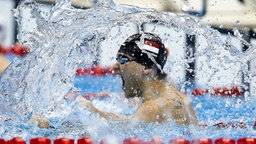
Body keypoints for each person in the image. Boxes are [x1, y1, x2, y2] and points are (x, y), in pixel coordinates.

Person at [77, 32, 198, 126]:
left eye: (123, 59)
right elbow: (133, 123)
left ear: (146, 67)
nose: (115, 66)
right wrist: (97, 113)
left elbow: (124, 133)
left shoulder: (151, 109)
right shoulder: (178, 98)